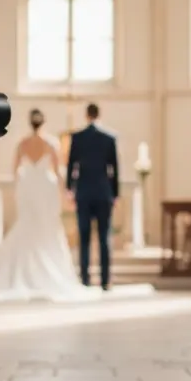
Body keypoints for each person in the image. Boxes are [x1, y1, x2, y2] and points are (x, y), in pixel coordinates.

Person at [0, 109, 103, 303]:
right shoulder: (51, 143)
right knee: (47, 230)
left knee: (28, 226)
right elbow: (59, 172)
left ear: (30, 123)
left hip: (29, 188)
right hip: (45, 188)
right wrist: (67, 193)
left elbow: (16, 172)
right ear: (43, 123)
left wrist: (23, 188)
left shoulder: (22, 144)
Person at [66, 103, 119, 290]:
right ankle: (105, 280)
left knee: (84, 237)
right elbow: (114, 169)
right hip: (103, 192)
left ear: (87, 115)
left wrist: (69, 189)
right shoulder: (109, 137)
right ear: (99, 114)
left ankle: (85, 279)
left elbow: (71, 166)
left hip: (84, 192)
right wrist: (115, 194)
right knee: (104, 238)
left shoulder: (78, 137)